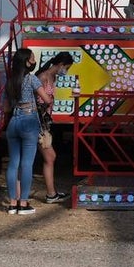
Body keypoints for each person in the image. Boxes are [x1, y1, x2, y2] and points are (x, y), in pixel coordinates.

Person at [4, 47, 52, 215]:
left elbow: (6, 107)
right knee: (27, 164)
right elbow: (46, 99)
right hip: (29, 121)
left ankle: (12, 203)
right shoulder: (31, 79)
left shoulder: (10, 81)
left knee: (13, 163)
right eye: (32, 59)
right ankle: (23, 203)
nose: (34, 61)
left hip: (13, 122)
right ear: (26, 62)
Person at [36, 51, 75, 204]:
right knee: (49, 156)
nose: (66, 71)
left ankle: (51, 193)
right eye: (66, 68)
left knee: (49, 157)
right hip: (38, 122)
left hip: (44, 123)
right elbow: (36, 100)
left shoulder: (52, 78)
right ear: (60, 65)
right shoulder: (43, 77)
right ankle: (50, 194)